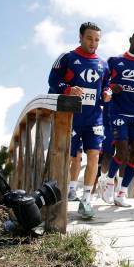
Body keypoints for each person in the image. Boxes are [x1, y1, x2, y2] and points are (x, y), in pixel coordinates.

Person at [48, 22, 111, 219]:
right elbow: (52, 80)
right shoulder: (67, 58)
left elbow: (106, 85)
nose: (93, 43)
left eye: (97, 40)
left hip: (94, 117)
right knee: (69, 157)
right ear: (80, 37)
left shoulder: (103, 64)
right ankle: (59, 197)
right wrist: (68, 89)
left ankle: (86, 201)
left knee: (94, 156)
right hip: (70, 118)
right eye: (90, 38)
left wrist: (108, 93)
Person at [100, 31, 134, 207]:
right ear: (130, 40)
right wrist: (111, 88)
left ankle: (121, 193)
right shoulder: (114, 61)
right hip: (118, 111)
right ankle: (109, 182)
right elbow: (104, 84)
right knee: (122, 150)